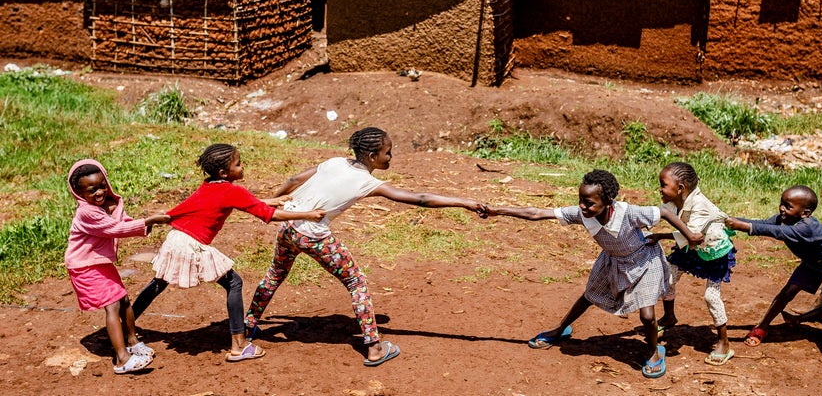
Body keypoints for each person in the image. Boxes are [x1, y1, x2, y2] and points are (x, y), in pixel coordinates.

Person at [245, 126, 487, 367]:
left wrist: (270, 207)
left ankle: (248, 327)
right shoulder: (366, 182)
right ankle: (374, 348)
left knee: (275, 275)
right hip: (313, 235)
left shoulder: (335, 162)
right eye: (388, 152)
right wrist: (463, 202)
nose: (390, 157)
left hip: (287, 225)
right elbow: (420, 199)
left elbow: (294, 180)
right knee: (356, 282)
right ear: (372, 156)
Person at [484, 169, 702, 379]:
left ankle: (654, 351)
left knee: (647, 315)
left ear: (608, 201)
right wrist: (498, 210)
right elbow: (538, 213)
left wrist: (690, 235)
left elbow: (663, 212)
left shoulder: (629, 212)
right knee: (588, 297)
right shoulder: (582, 214)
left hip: (645, 260)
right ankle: (560, 330)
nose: (582, 206)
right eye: (581, 200)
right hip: (613, 260)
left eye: (589, 203)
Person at [131, 144, 325, 362]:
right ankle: (239, 345)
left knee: (159, 282)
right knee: (234, 283)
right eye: (238, 164)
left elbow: (238, 203)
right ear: (224, 173)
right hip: (190, 245)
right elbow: (268, 215)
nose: (243, 167)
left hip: (177, 239)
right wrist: (309, 214)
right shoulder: (232, 191)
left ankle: (124, 326)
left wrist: (268, 201)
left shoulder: (209, 186)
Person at [725, 185, 822, 365]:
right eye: (781, 203)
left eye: (787, 206)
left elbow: (776, 232)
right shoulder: (783, 219)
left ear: (805, 213)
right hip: (812, 262)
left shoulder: (807, 227)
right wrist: (729, 220)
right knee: (787, 293)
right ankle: (762, 327)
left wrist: (742, 226)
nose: (781, 209)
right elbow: (764, 223)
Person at [65, 159, 171, 375]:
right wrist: (147, 222)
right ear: (79, 193)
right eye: (91, 190)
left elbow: (123, 221)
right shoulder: (87, 212)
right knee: (112, 305)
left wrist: (141, 225)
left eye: (102, 186)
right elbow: (114, 229)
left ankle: (132, 342)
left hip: (99, 262)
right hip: (84, 266)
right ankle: (122, 359)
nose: (99, 192)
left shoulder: (109, 204)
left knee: (124, 300)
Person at [652, 162, 736, 365]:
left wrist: (659, 236)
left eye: (663, 184)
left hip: (713, 253)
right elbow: (658, 214)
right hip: (690, 250)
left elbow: (693, 236)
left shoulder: (700, 206)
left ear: (680, 187)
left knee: (711, 297)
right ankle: (669, 317)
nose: (660, 189)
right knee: (667, 278)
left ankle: (724, 342)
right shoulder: (675, 201)